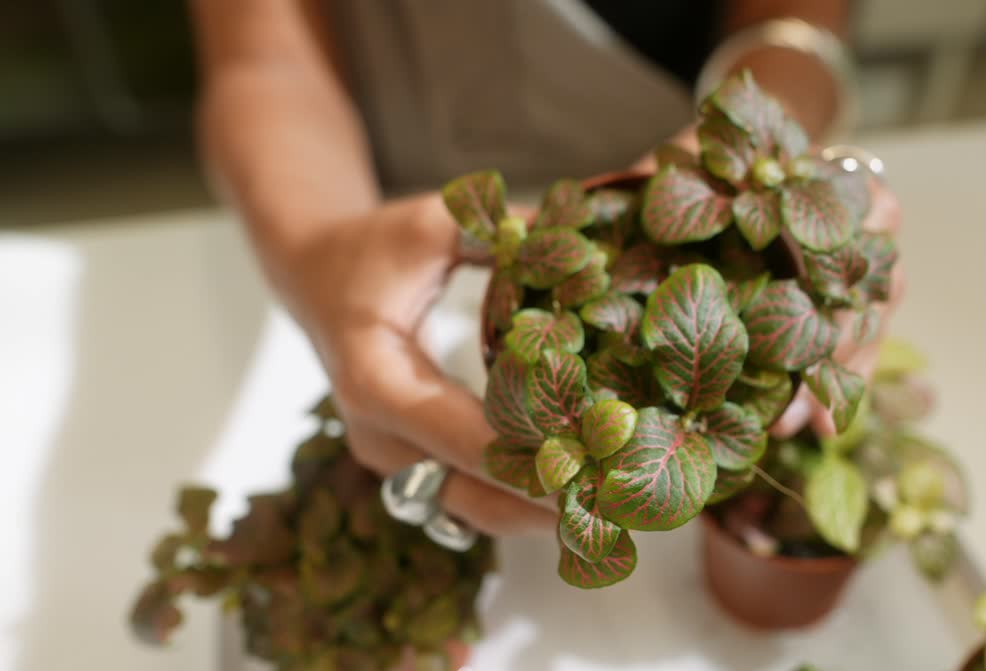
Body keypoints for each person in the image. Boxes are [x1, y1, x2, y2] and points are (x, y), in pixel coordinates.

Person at [190, 0, 899, 538]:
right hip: (406, 198)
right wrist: (318, 244)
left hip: (697, 155)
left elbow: (794, 20)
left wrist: (784, 119)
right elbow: (263, 57)